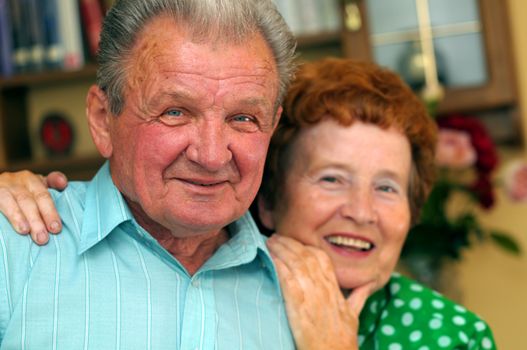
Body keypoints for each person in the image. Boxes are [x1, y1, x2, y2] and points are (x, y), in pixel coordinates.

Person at [1, 58, 497, 349]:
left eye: (387, 188)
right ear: (269, 199)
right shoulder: (216, 278)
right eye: (331, 179)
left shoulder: (452, 336)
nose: (361, 211)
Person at [0, 0, 299, 348]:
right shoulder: (12, 248)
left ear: (272, 126)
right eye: (175, 112)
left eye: (243, 118)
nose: (213, 156)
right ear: (102, 120)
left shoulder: (306, 291)